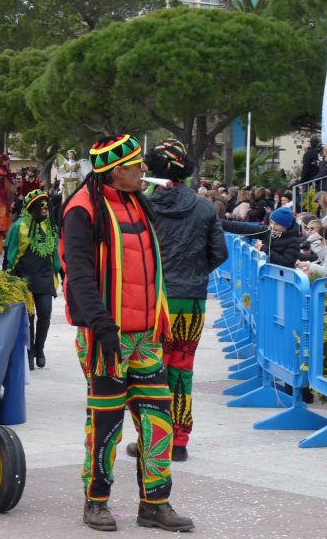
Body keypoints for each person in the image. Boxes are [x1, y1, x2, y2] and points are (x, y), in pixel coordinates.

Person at [60, 134, 193, 532]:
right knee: (106, 424)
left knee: (158, 421)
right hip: (106, 339)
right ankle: (96, 501)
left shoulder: (139, 202)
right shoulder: (82, 210)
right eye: (136, 165)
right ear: (116, 172)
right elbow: (79, 275)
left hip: (145, 337)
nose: (144, 170)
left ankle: (155, 504)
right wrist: (102, 328)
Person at [126, 139, 227, 463]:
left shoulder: (143, 205)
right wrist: (195, 273)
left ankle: (152, 439)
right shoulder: (204, 207)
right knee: (182, 370)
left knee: (149, 373)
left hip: (155, 301)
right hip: (192, 301)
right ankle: (179, 442)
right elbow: (220, 253)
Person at [3, 189, 60, 369]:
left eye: (46, 206)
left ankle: (39, 348)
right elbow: (10, 252)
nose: (45, 209)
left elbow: (55, 253)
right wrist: (7, 274)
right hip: (24, 278)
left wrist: (62, 272)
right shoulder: (19, 226)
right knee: (28, 318)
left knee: (45, 314)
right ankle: (29, 352)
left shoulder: (51, 226)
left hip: (45, 277)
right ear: (32, 207)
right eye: (41, 206)